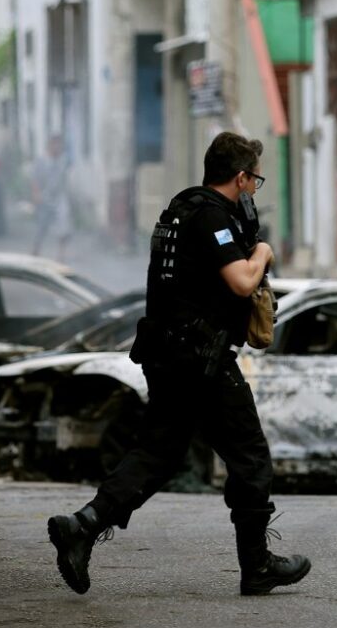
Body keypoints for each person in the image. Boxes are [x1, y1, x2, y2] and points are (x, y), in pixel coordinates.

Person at [47, 132, 311, 596]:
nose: (254, 191)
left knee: (156, 453)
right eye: (254, 182)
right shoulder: (212, 217)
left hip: (168, 354)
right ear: (241, 177)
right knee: (250, 457)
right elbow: (242, 281)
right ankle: (257, 566)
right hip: (200, 361)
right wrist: (264, 251)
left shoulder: (179, 210)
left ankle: (82, 526)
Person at [30, 135, 72, 260]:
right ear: (49, 145)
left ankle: (61, 254)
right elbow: (35, 179)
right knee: (42, 225)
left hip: (59, 197)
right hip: (45, 196)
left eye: (59, 145)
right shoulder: (41, 161)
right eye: (55, 144)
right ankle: (35, 250)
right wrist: (36, 194)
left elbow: (65, 178)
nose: (57, 148)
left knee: (63, 223)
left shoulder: (63, 160)